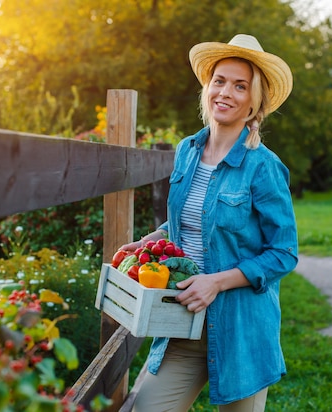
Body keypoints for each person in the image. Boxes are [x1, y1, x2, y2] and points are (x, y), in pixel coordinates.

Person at [120, 34, 298, 411]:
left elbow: (283, 253)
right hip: (181, 323)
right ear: (207, 86)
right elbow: (192, 222)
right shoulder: (187, 150)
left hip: (241, 334)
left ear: (255, 101)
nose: (226, 93)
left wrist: (216, 282)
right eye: (219, 81)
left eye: (240, 86)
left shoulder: (263, 166)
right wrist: (151, 240)